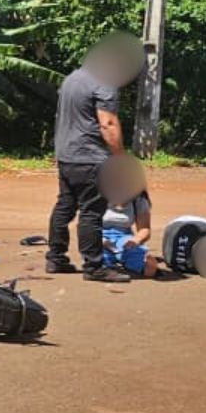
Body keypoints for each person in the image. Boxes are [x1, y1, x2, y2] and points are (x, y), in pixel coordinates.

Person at [48, 38, 136, 283]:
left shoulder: (72, 78)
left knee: (64, 206)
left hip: (67, 155)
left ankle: (55, 258)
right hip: (90, 157)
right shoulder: (104, 83)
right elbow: (107, 123)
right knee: (91, 212)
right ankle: (94, 267)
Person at [100, 188, 162, 278]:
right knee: (99, 255)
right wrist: (99, 239)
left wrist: (135, 241)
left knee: (135, 251)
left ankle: (146, 267)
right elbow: (85, 225)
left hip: (123, 235)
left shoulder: (138, 197)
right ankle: (104, 265)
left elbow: (144, 229)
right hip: (98, 235)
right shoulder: (95, 193)